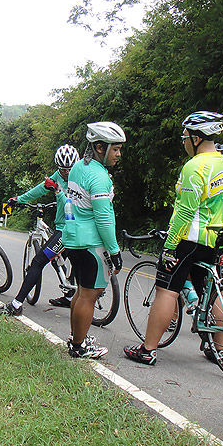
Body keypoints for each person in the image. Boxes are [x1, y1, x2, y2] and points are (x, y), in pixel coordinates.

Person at [124, 111, 223, 366]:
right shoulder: (222, 164)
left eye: (185, 137)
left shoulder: (194, 166)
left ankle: (148, 349)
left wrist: (170, 246)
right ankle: (218, 350)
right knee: (210, 293)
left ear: (196, 138)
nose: (183, 141)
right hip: (212, 238)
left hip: (188, 238)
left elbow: (185, 211)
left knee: (167, 290)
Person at [63, 122, 126, 359]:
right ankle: (79, 347)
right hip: (92, 243)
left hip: (73, 238)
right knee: (90, 294)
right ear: (100, 147)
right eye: (115, 149)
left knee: (81, 292)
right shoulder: (99, 177)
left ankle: (76, 338)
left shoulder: (78, 167)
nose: (118, 154)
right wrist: (114, 250)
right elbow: (103, 218)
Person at [0, 144, 80, 317]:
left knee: (38, 261)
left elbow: (70, 205)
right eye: (63, 169)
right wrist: (19, 199)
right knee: (61, 259)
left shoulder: (81, 179)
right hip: (70, 228)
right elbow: (39, 189)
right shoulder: (58, 176)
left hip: (70, 229)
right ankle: (69, 296)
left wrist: (57, 191)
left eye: (70, 169)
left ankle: (16, 304)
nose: (66, 173)